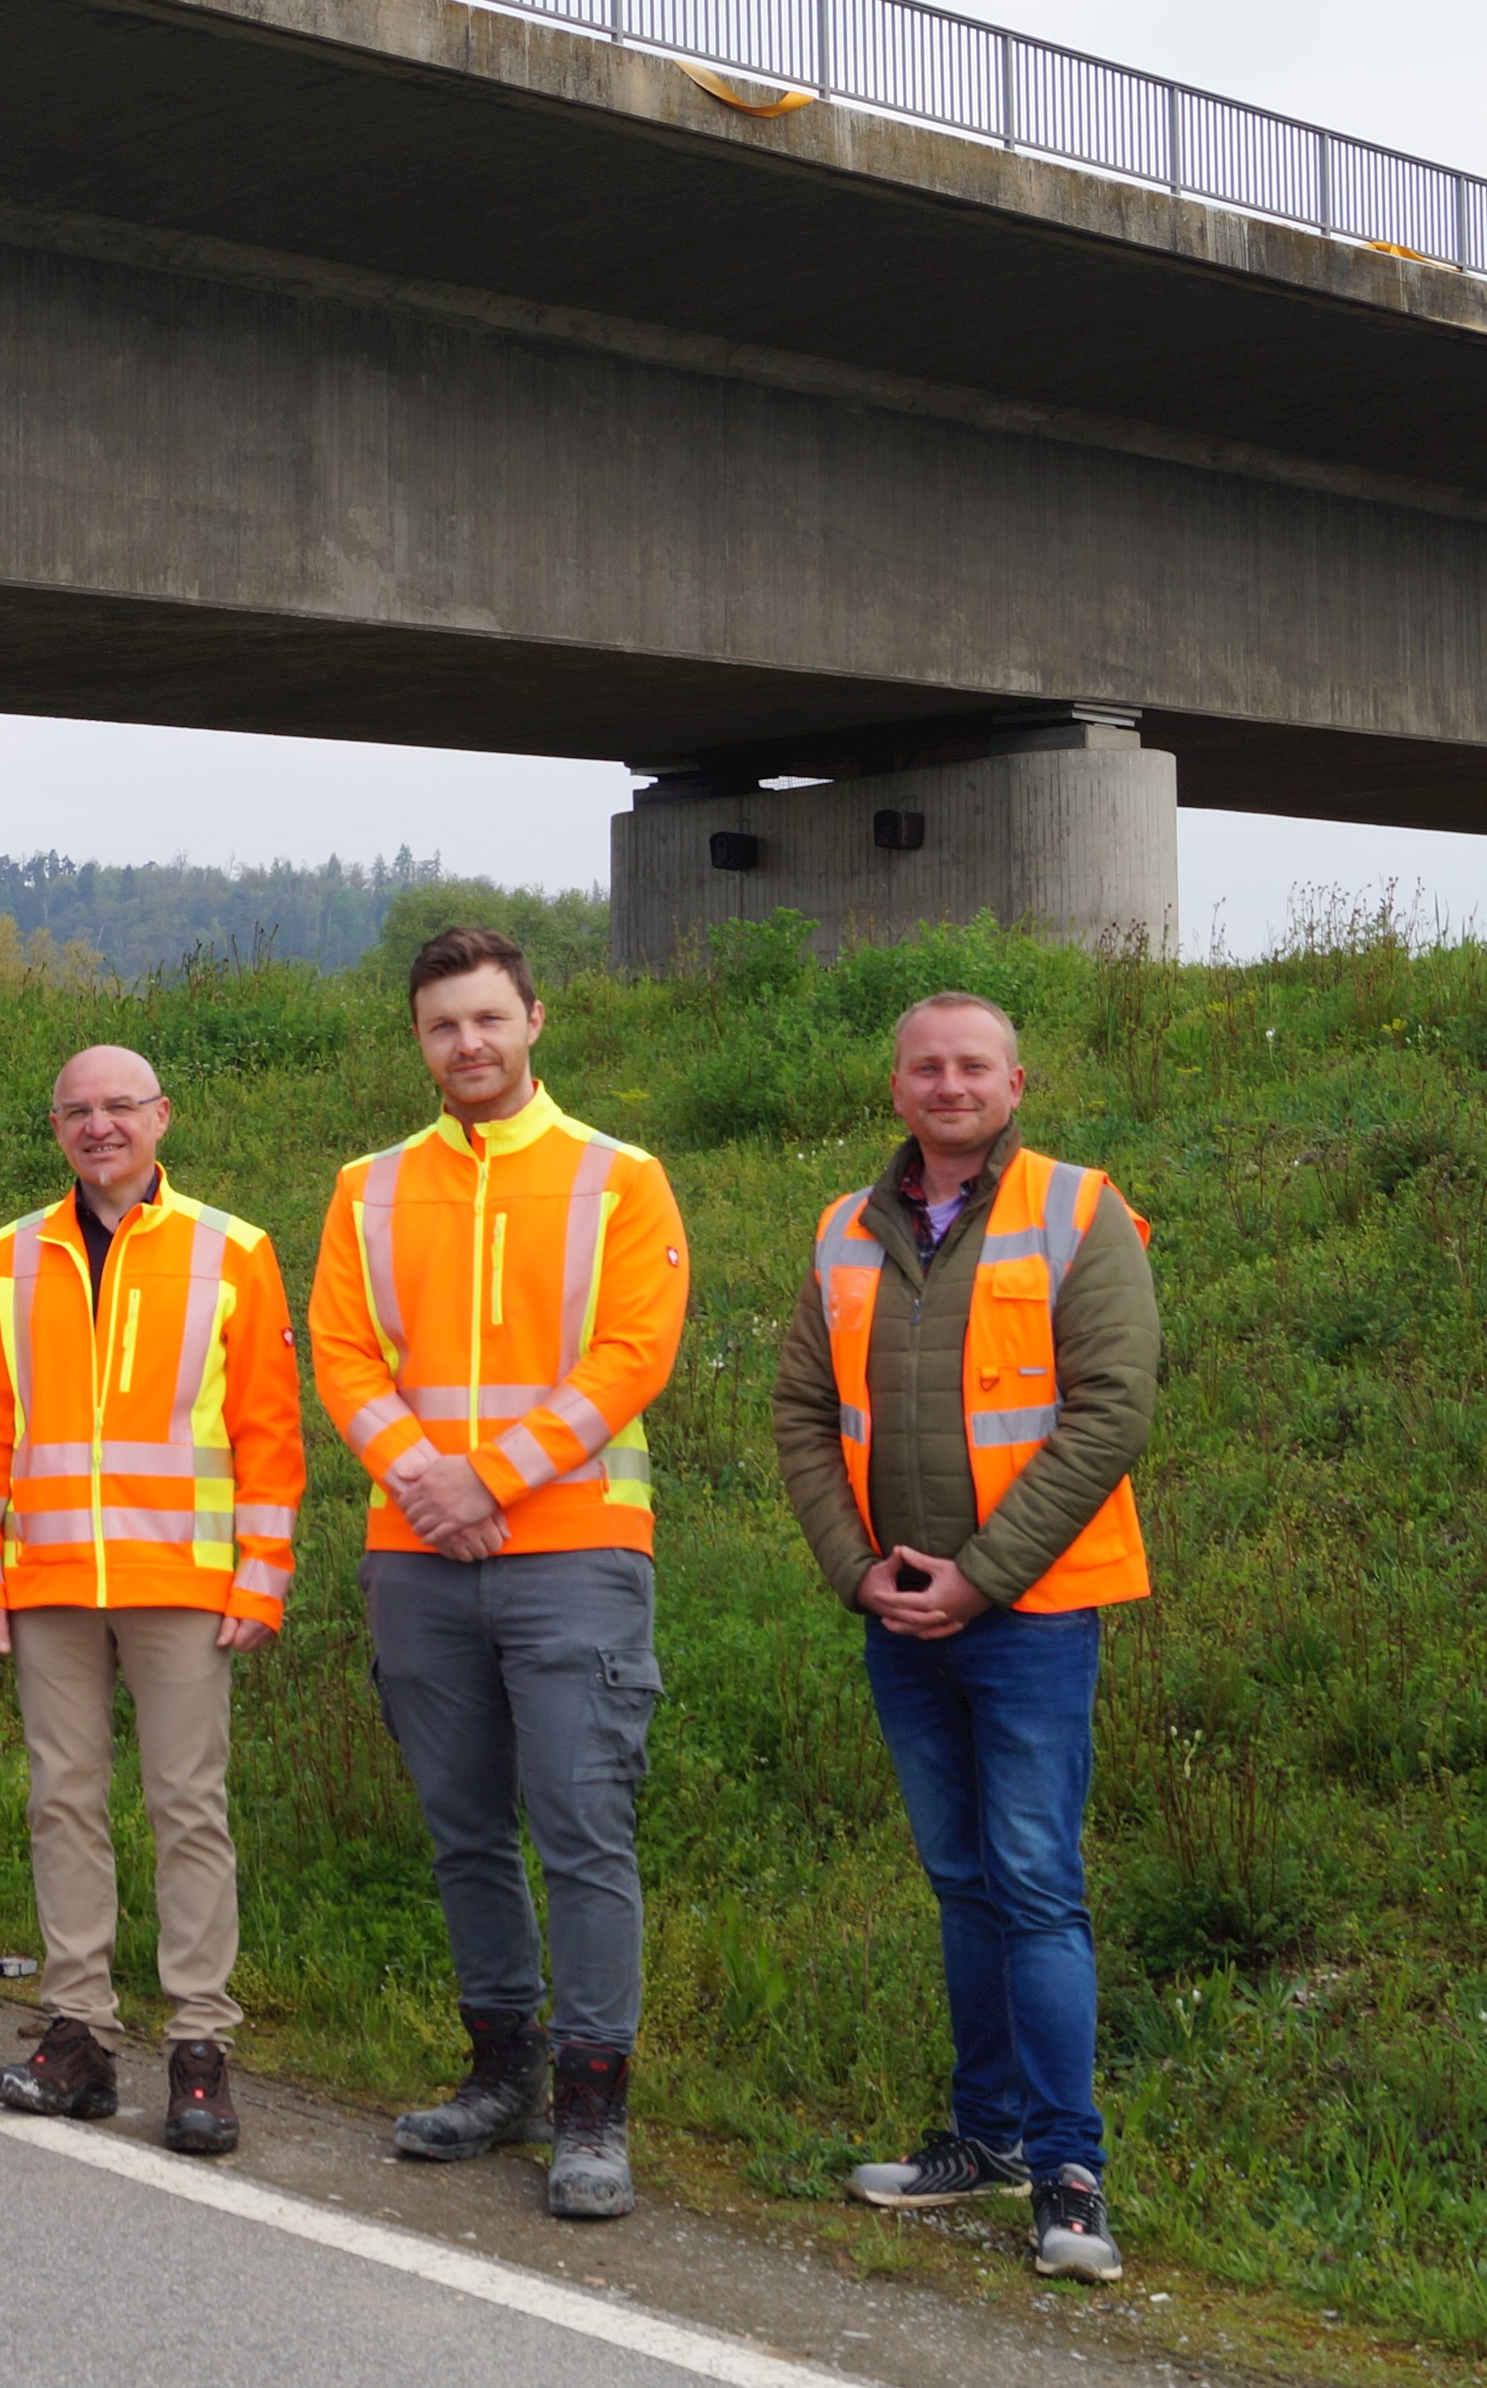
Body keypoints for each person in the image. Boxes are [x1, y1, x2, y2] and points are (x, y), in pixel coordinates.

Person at [769, 991, 1157, 2286]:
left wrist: (980, 1578)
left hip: (1030, 1615)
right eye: (925, 1065)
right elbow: (803, 1410)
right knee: (962, 1880)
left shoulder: (1078, 1209)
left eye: (972, 1065)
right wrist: (855, 1568)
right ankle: (982, 2136)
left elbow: (1110, 1412)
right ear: (896, 1088)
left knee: (1037, 1882)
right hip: (899, 1613)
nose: (949, 1083)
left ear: (1016, 1081)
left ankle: (1069, 2170)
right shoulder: (843, 1229)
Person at [307, 924, 690, 2219]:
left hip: (575, 1551)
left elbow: (633, 1351)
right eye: (441, 1025)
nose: (466, 1043)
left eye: (487, 1018)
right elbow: (345, 1355)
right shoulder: (368, 1185)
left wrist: (494, 1475)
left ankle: (592, 2102)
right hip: (417, 1558)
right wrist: (427, 1475)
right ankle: (499, 2070)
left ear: (535, 1019)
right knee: (465, 1826)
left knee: (583, 1827)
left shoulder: (617, 1177)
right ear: (419, 1039)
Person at [0, 1043, 303, 2156]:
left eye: (120, 1108)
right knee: (62, 1804)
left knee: (189, 1806)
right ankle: (78, 2033)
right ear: (55, 1129)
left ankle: (199, 2047)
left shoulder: (231, 1250)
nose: (100, 1127)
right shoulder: (5, 1258)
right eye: (78, 1111)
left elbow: (269, 1437)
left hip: (181, 1580)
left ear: (161, 1119)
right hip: (45, 1581)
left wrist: (261, 1577)